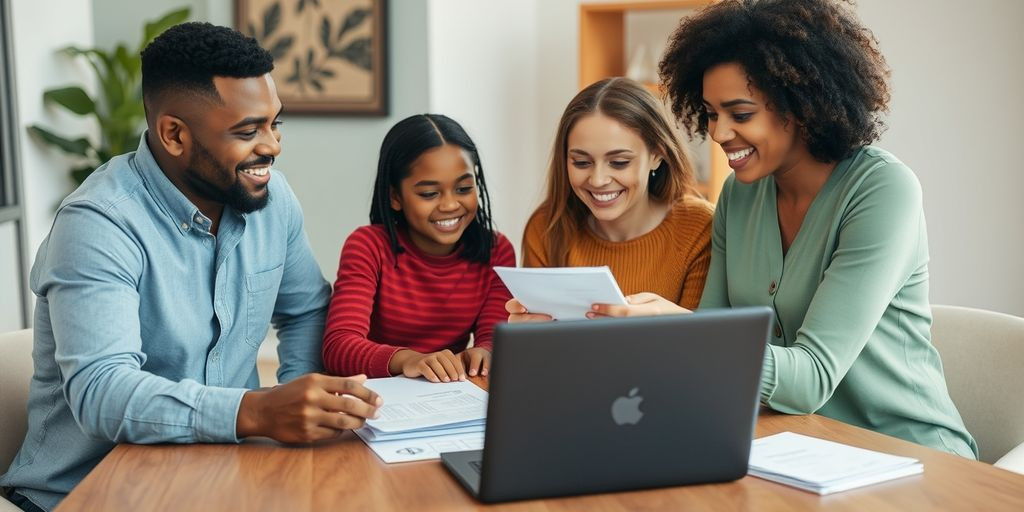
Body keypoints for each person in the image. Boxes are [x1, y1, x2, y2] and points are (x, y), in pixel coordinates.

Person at [0, 22, 382, 512]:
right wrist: (257, 411)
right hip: (84, 496)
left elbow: (306, 308)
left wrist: (294, 398)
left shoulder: (273, 200)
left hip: (221, 478)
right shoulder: (98, 225)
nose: (272, 146)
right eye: (248, 131)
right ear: (174, 134)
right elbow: (102, 392)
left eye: (274, 123)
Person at [578, 0, 977, 457]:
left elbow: (810, 380)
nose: (719, 132)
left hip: (912, 455)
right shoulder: (739, 195)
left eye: (740, 114)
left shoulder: (881, 191)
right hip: (798, 449)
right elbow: (713, 339)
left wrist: (679, 331)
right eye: (710, 113)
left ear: (801, 105)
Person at [322, 115, 515, 383]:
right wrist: (411, 360)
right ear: (395, 197)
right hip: (377, 395)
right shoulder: (368, 246)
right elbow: (339, 346)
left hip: (447, 393)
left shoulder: (497, 250)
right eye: (429, 194)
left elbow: (493, 339)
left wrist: (484, 352)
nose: (450, 205)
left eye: (463, 188)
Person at [513, 77, 713, 320]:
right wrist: (525, 338)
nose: (598, 180)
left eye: (619, 162)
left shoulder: (700, 228)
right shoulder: (548, 227)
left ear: (657, 156)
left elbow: (702, 348)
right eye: (581, 162)